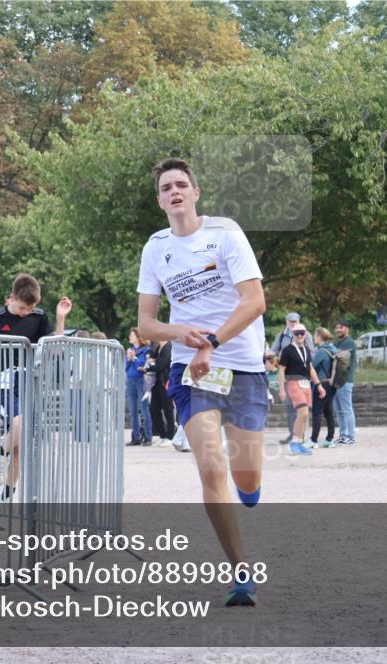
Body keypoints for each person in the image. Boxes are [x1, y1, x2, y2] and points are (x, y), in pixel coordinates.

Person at [136, 157, 268, 606]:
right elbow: (147, 324)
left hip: (243, 362)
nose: (174, 192)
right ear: (160, 200)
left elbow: (255, 302)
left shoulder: (225, 234)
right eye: (166, 187)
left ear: (196, 193)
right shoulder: (155, 248)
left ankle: (249, 486)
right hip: (191, 369)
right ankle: (241, 573)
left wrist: (213, 339)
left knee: (246, 477)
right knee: (212, 467)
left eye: (181, 185)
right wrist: (184, 336)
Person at [0, 274, 71, 499]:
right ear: (11, 298)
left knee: (22, 443)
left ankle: (8, 492)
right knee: (20, 422)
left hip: (27, 378)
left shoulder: (39, 316)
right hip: (2, 379)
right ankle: (1, 454)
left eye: (30, 308)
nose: (26, 313)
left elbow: (55, 348)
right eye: (22, 308)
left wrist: (60, 319)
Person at [277, 324, 326, 455]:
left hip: (306, 384)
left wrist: (319, 385)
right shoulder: (287, 350)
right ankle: (294, 442)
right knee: (303, 413)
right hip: (293, 383)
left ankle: (299, 443)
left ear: (305, 334)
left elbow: (311, 369)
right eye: (297, 333)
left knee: (304, 416)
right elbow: (281, 370)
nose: (299, 335)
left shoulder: (307, 349)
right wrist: (281, 389)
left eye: (302, 333)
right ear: (293, 334)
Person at [270, 313, 313, 444]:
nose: (293, 323)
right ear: (286, 322)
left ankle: (302, 436)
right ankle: (292, 434)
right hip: (288, 377)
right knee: (289, 407)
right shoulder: (281, 335)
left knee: (303, 407)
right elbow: (273, 351)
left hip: (302, 377)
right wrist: (271, 358)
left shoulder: (306, 334)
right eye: (290, 321)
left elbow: (312, 352)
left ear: (299, 321)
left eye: (295, 321)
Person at [125, 328, 154, 446]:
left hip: (141, 381)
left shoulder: (147, 350)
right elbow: (126, 368)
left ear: (138, 337)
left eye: (132, 335)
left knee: (144, 408)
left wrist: (134, 359)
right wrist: (129, 359)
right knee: (132, 410)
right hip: (130, 380)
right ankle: (135, 437)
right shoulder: (130, 350)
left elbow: (144, 367)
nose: (129, 337)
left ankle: (148, 436)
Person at [310, 327, 337, 447]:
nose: (313, 338)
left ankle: (313, 440)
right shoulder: (332, 349)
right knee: (328, 412)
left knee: (317, 412)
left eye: (315, 335)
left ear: (319, 337)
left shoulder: (321, 352)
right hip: (331, 384)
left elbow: (310, 366)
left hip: (322, 384)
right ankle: (330, 439)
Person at [333, 318, 357, 445]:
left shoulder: (348, 342)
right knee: (339, 410)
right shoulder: (339, 342)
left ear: (347, 328)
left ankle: (351, 436)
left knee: (347, 409)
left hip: (345, 381)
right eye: (337, 327)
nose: (338, 330)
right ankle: (343, 435)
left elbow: (337, 356)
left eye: (341, 327)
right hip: (337, 381)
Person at [149, 339, 176, 447]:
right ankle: (162, 435)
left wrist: (149, 366)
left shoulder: (168, 348)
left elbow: (160, 365)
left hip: (165, 383)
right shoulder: (157, 348)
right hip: (156, 383)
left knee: (168, 409)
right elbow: (153, 361)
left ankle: (170, 436)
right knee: (154, 409)